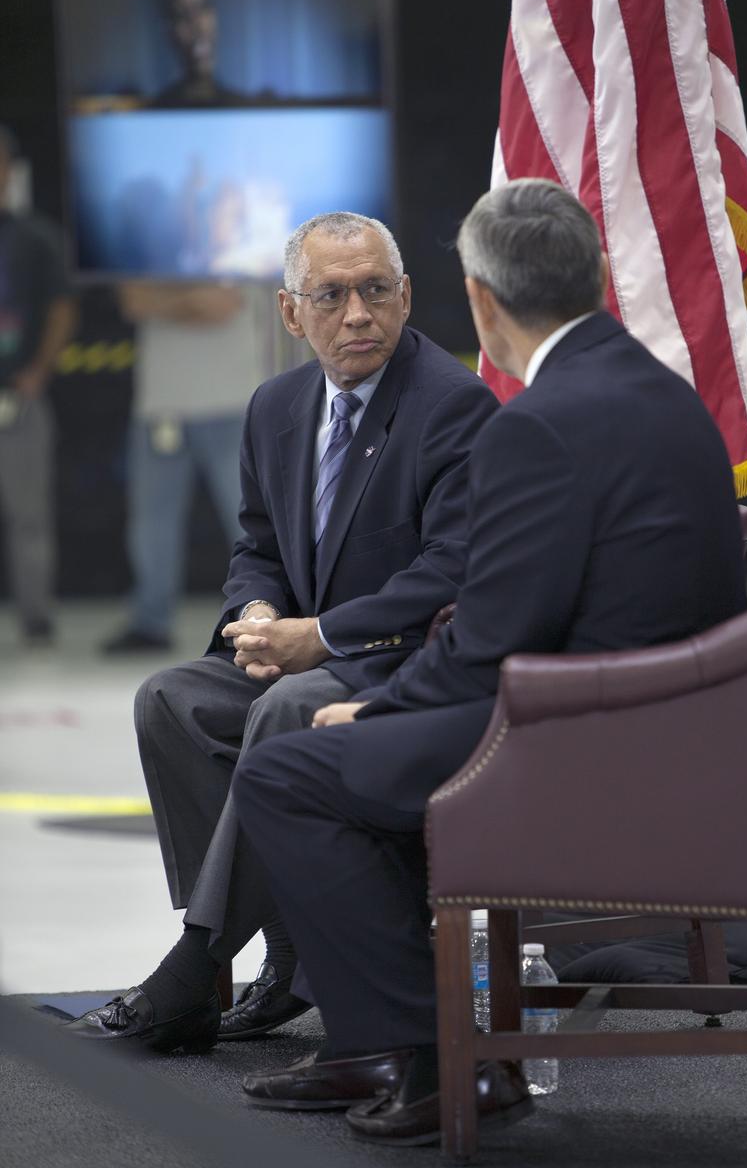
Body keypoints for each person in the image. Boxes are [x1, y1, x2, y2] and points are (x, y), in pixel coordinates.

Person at [222, 179, 747, 1146]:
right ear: (597, 278)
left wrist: (378, 715)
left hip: (575, 742)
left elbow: (485, 641)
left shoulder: (535, 424)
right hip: (665, 728)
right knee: (317, 750)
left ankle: (426, 1056)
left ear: (474, 300)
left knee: (289, 770)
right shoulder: (666, 398)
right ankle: (371, 1042)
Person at [67, 211, 498, 1047]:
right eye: (331, 296)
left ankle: (197, 961)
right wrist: (258, 616)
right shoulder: (275, 407)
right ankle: (285, 946)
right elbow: (257, 547)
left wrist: (321, 636)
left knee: (286, 708)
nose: (358, 315)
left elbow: (450, 572)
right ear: (290, 313)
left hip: (403, 670)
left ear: (406, 297)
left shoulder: (452, 406)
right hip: (305, 654)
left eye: (375, 291)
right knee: (171, 698)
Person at [101, 282, 267, 653]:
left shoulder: (231, 238)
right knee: (151, 524)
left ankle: (270, 613)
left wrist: (163, 302)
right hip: (159, 408)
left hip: (230, 404)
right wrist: (190, 303)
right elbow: (133, 300)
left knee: (249, 521)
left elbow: (222, 305)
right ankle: (150, 621)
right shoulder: (150, 245)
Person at [0, 125, 75, 643]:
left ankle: (34, 616)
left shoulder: (35, 237)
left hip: (17, 397)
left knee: (29, 514)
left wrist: (37, 372)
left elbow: (61, 309)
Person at [148, 0, 249, 110]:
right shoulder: (157, 113)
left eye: (203, 6)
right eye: (181, 14)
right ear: (169, 30)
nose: (197, 25)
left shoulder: (243, 110)